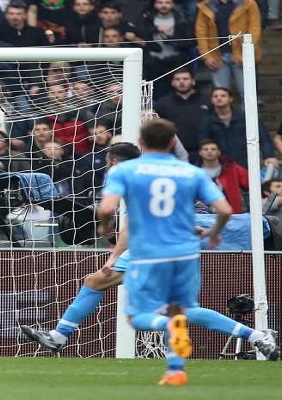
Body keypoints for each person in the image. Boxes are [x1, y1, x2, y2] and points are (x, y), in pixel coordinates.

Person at [99, 119, 271, 384]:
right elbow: (224, 210)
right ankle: (181, 368)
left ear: (142, 143)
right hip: (184, 253)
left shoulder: (126, 171)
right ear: (171, 142)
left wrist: (103, 227)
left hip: (149, 251)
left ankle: (171, 340)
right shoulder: (191, 172)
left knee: (140, 316)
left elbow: (107, 208)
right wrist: (213, 234)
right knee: (182, 310)